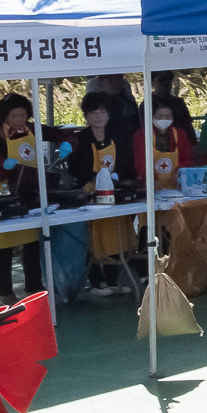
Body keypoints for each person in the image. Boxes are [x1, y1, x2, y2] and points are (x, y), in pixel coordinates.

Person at [0, 95, 49, 302]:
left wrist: (67, 139)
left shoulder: (31, 129)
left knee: (32, 241)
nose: (19, 119)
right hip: (4, 193)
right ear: (3, 116)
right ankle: (3, 292)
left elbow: (55, 133)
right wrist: (2, 167)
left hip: (31, 191)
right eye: (14, 115)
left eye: (23, 115)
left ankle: (33, 286)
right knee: (3, 244)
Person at [74, 93, 141, 298]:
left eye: (102, 112)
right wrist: (95, 180)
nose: (98, 116)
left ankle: (113, 279)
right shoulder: (81, 138)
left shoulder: (118, 135)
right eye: (93, 113)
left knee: (118, 235)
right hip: (91, 195)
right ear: (86, 116)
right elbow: (76, 168)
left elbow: (127, 161)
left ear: (109, 114)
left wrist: (118, 177)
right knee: (95, 238)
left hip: (116, 191)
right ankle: (95, 280)